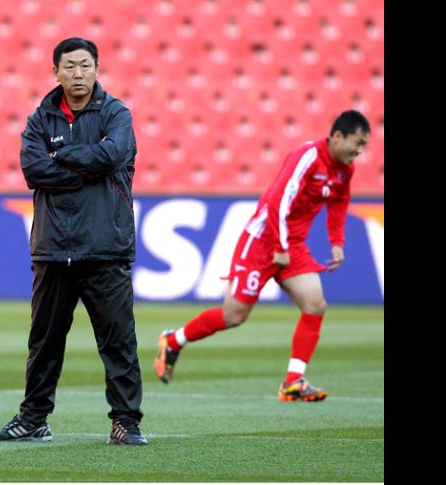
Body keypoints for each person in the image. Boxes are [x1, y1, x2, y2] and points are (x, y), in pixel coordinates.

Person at [0, 38, 147, 445]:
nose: (78, 74)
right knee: (44, 341)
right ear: (55, 71)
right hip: (54, 248)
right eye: (69, 66)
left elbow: (112, 157)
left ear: (97, 69)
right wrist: (82, 167)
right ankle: (34, 419)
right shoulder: (40, 118)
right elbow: (33, 169)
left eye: (85, 65)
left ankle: (125, 422)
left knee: (118, 342)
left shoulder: (116, 113)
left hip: (105, 246)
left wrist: (62, 157)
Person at [154, 110, 371, 402]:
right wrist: (279, 246)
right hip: (262, 240)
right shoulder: (307, 157)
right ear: (337, 137)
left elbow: (339, 202)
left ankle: (293, 381)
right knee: (234, 315)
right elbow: (277, 201)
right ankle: (174, 340)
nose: (359, 151)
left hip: (291, 244)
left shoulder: (346, 169)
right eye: (356, 143)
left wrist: (337, 241)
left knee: (315, 304)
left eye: (363, 146)